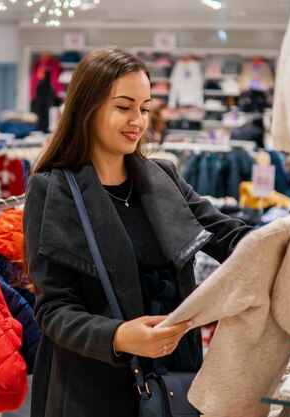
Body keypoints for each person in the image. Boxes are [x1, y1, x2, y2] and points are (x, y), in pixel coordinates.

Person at [23, 46, 252, 417]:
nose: (138, 121)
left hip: (174, 383)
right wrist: (119, 336)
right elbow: (53, 309)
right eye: (123, 106)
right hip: (94, 391)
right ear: (88, 107)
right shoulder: (53, 189)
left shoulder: (163, 177)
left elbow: (229, 235)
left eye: (144, 108)